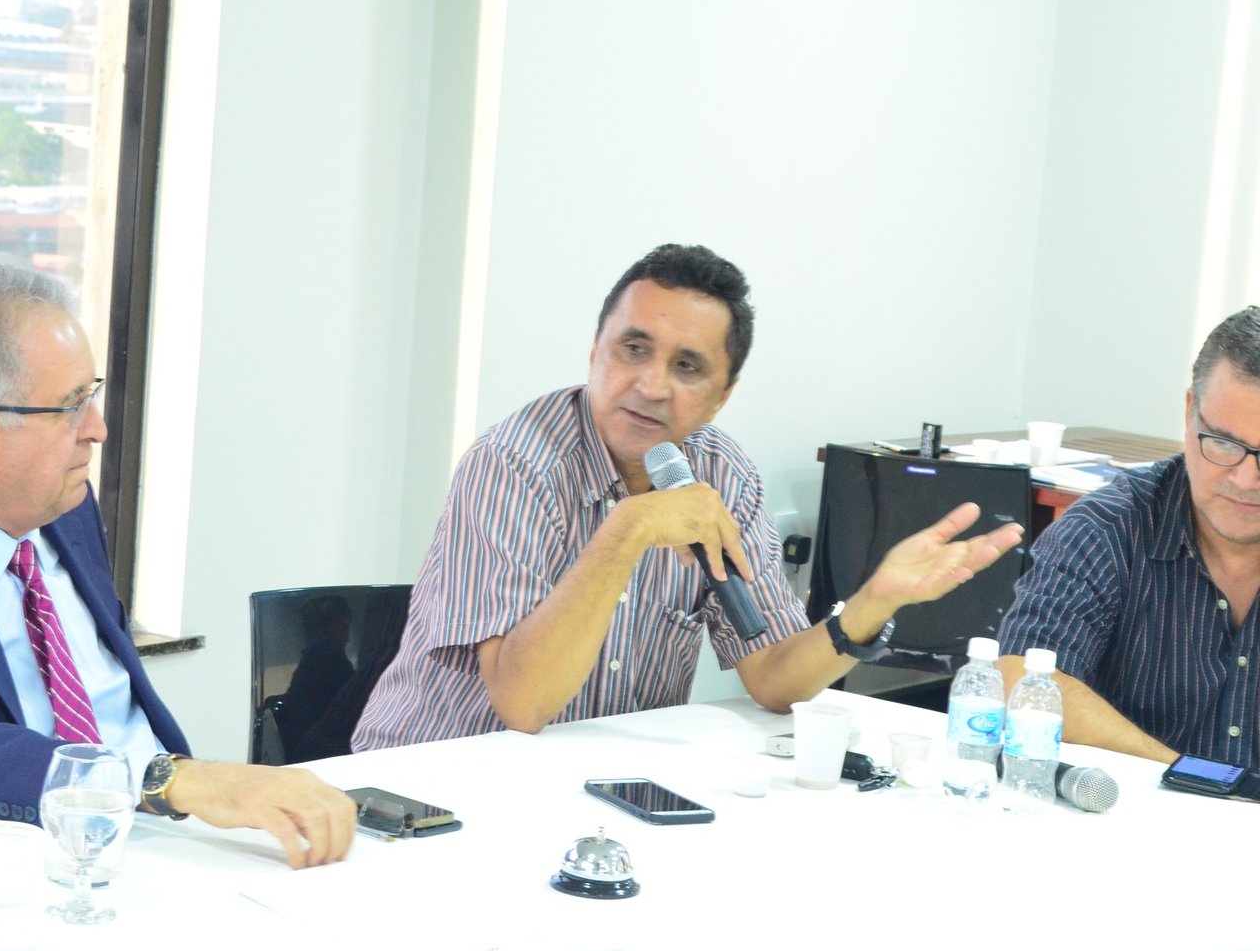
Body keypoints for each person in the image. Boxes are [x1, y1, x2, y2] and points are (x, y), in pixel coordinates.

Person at [353, 244, 1023, 750]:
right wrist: (630, 529)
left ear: (722, 395)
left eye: (687, 366)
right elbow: (522, 704)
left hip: (594, 781)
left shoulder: (722, 472)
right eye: (633, 349)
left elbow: (772, 679)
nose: (650, 385)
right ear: (594, 352)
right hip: (438, 777)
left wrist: (871, 604)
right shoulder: (513, 465)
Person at [0, 265, 355, 869]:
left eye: (90, 396)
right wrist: (168, 780)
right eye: (70, 407)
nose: (97, 429)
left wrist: (185, 791)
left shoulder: (62, 503)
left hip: (155, 842)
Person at [997, 305, 1260, 766]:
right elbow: (1023, 681)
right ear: (1189, 413)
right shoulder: (1107, 529)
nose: (1246, 479)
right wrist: (1190, 778)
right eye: (1223, 443)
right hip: (1135, 805)